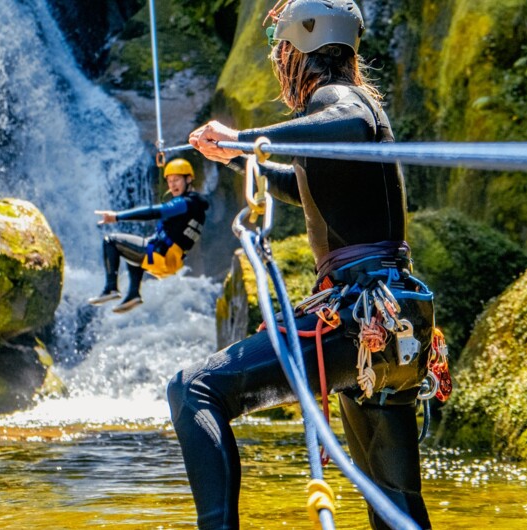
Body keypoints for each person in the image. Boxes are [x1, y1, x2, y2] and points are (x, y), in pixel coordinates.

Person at [167, 0, 434, 528]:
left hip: (358, 317)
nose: (277, 57)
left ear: (299, 47)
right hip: (393, 327)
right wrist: (246, 157)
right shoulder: (345, 113)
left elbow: (351, 122)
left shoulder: (340, 100)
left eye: (278, 46)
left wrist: (245, 137)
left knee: (193, 388)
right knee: (397, 512)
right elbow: (311, 183)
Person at [88, 158, 209, 313]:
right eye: (170, 181)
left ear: (189, 179)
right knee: (131, 250)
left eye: (177, 180)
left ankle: (111, 288)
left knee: (110, 241)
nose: (172, 185)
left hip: (160, 255)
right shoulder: (198, 208)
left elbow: (153, 212)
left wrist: (116, 216)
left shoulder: (184, 203)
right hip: (170, 260)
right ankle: (133, 294)